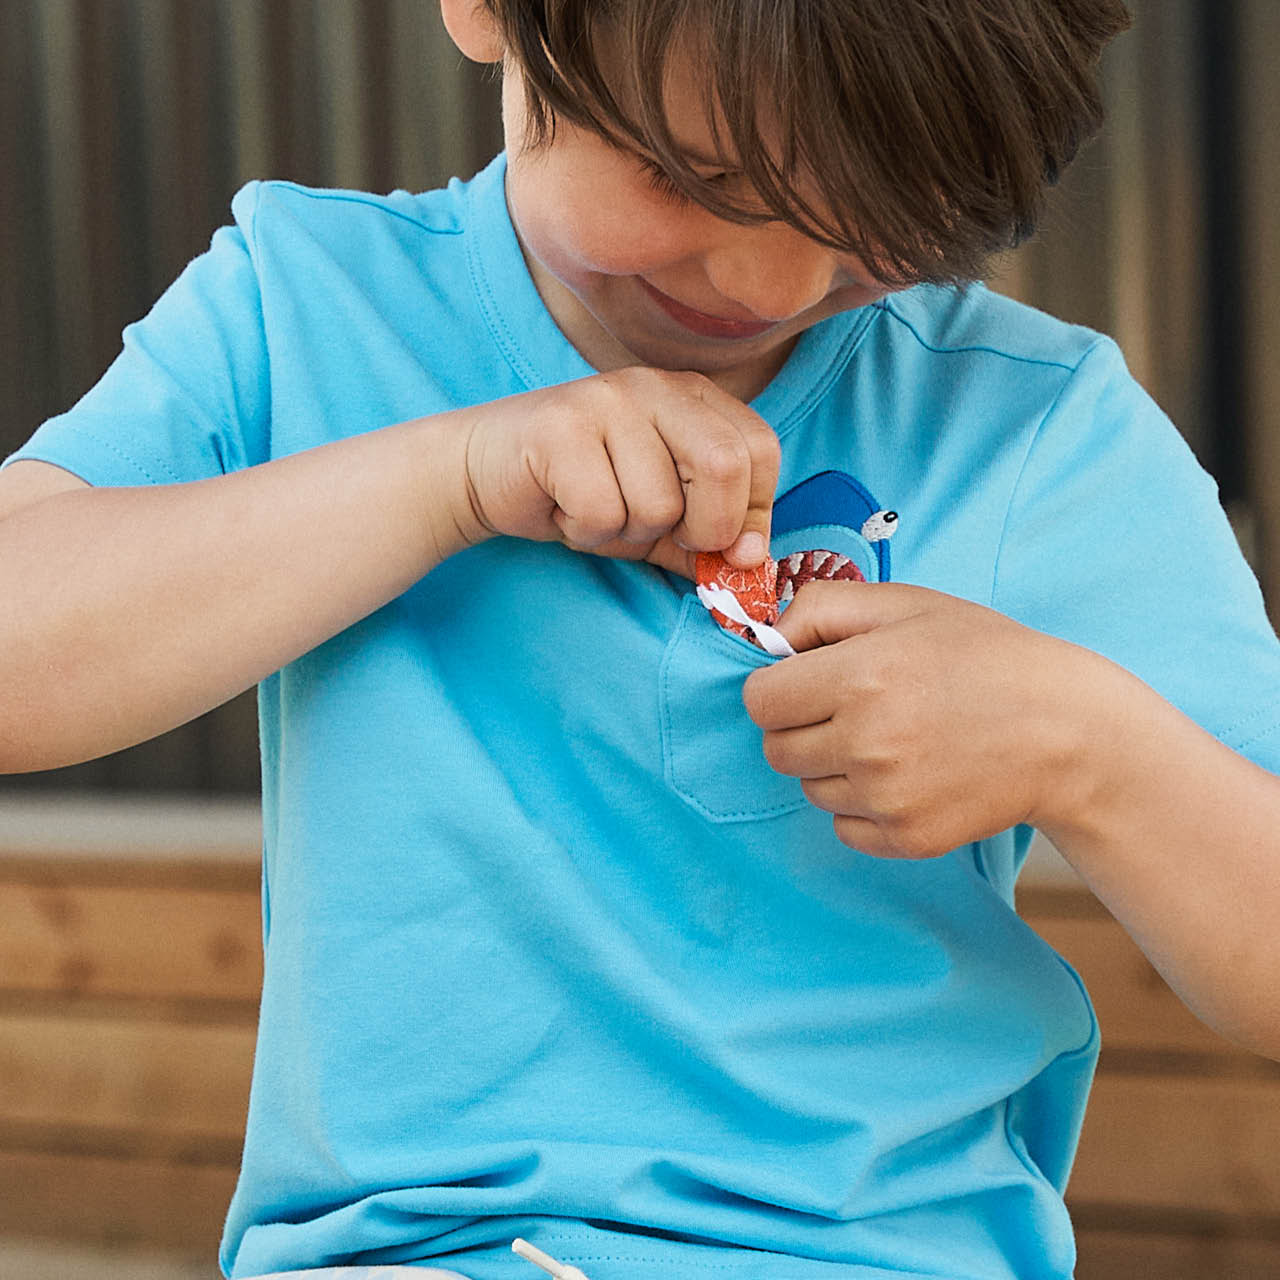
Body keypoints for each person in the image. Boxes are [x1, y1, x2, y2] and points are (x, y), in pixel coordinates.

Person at [2, 1, 1278, 1277]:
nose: (768, 284)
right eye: (691, 175)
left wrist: (1083, 747)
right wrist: (451, 474)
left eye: (875, 209)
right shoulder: (303, 306)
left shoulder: (1031, 426)